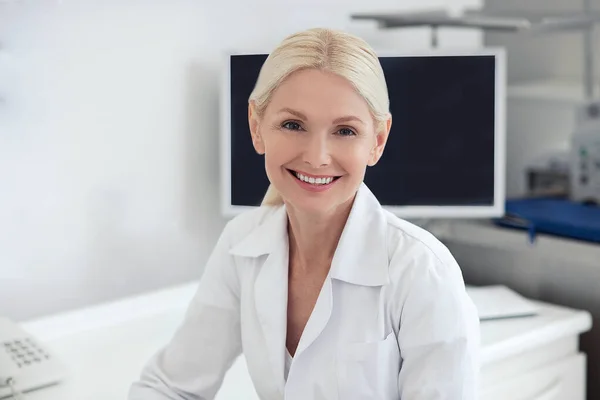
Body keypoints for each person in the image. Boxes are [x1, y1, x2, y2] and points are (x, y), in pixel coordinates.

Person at [128, 27, 480, 400]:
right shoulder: (241, 243)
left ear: (377, 142)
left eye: (345, 130)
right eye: (293, 125)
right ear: (256, 127)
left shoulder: (422, 271)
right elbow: (169, 387)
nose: (316, 156)